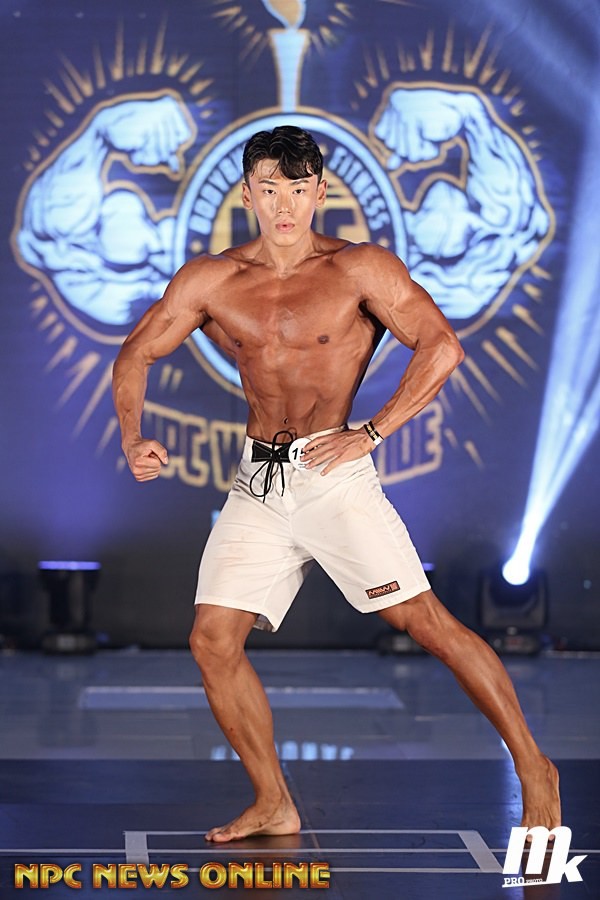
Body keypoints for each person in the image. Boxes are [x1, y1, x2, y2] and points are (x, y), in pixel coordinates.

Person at [112, 125, 561, 844]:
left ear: (320, 192)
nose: (284, 205)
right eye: (269, 189)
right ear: (248, 194)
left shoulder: (358, 269)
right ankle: (273, 801)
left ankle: (535, 767)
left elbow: (441, 346)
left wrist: (372, 433)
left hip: (335, 477)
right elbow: (136, 352)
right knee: (212, 641)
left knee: (426, 624)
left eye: (298, 189)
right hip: (258, 482)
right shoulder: (212, 280)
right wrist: (134, 436)